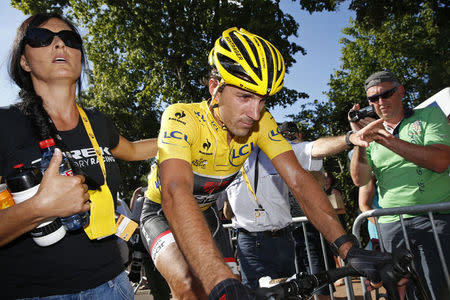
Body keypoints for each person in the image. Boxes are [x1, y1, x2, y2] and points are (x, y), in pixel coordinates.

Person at [140, 25, 391, 298]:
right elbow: (175, 192)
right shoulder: (181, 117)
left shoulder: (261, 123)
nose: (255, 112)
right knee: (191, 286)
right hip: (161, 212)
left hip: (206, 214)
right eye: (245, 96)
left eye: (263, 100)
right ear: (215, 88)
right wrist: (219, 281)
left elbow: (298, 179)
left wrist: (348, 248)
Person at [0, 13, 157, 299]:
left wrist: (187, 133)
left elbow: (133, 150)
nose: (59, 44)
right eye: (41, 38)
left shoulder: (98, 122)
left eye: (69, 39)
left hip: (113, 286)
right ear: (24, 60)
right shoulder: (5, 125)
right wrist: (39, 208)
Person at [348, 70, 450, 300]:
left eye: (386, 94)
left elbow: (440, 161)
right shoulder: (371, 135)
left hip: (435, 219)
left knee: (438, 289)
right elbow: (360, 180)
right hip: (391, 225)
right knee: (402, 293)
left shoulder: (429, 116)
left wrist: (384, 137)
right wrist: (359, 140)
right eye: (373, 99)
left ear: (401, 91)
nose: (380, 102)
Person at [221, 121, 351, 293]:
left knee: (290, 293)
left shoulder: (273, 150)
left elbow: (313, 148)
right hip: (250, 243)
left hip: (284, 240)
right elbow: (226, 212)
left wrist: (350, 138)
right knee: (259, 295)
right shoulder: (224, 162)